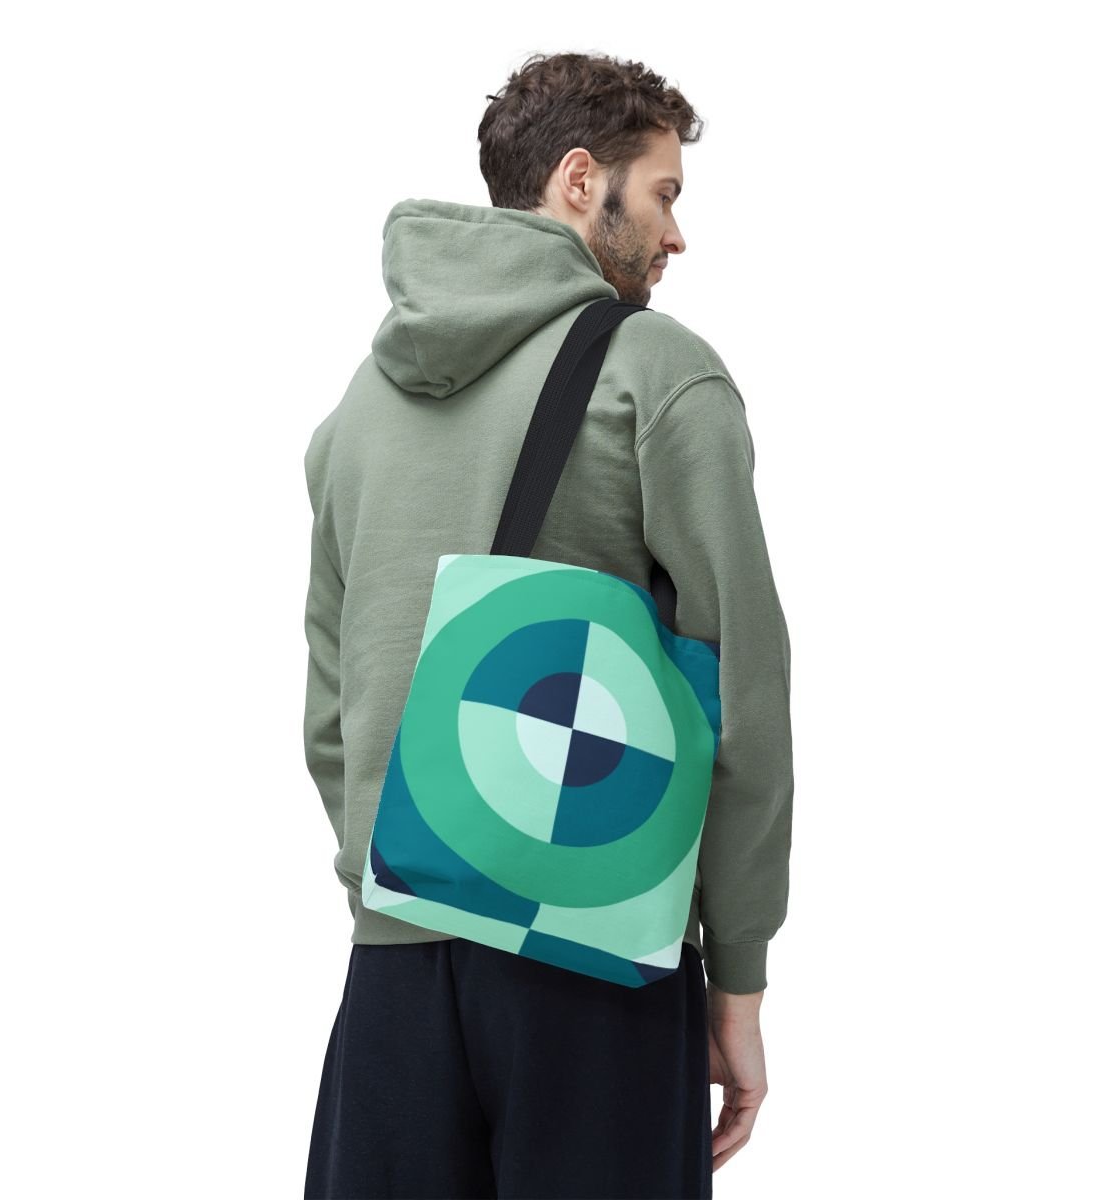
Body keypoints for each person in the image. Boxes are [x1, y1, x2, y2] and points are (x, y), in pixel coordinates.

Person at [301, 51, 794, 1200]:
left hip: (392, 970)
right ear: (581, 180)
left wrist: (401, 887)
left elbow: (331, 710)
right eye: (663, 194)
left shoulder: (357, 409)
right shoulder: (657, 374)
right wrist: (739, 978)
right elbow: (743, 697)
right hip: (595, 960)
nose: (676, 237)